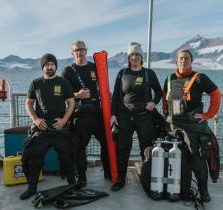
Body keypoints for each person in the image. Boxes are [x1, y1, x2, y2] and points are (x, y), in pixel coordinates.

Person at [162, 49, 222, 202]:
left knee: (197, 160)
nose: (183, 61)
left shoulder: (200, 78)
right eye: (181, 58)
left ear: (191, 61)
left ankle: (203, 191)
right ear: (176, 61)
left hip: (193, 127)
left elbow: (216, 94)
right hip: (174, 126)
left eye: (187, 58)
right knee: (178, 159)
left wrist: (208, 115)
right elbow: (164, 98)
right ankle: (183, 189)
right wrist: (166, 114)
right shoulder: (169, 78)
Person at [20, 53, 76, 200]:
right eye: (47, 65)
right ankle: (31, 188)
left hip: (59, 127)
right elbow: (28, 103)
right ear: (43, 67)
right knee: (33, 158)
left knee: (67, 157)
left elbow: (71, 103)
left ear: (55, 66)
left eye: (52, 64)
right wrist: (36, 119)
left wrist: (64, 121)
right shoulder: (35, 83)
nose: (50, 67)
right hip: (42, 127)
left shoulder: (63, 82)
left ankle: (72, 186)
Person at [110, 42, 163, 191]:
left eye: (137, 55)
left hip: (144, 116)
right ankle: (121, 179)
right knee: (123, 147)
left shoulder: (148, 73)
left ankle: (148, 178)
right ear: (128, 57)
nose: (134, 57)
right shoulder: (122, 73)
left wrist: (153, 102)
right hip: (124, 116)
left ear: (141, 57)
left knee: (146, 147)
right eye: (132, 55)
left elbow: (159, 92)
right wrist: (113, 115)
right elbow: (115, 97)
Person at [61, 41, 110, 187]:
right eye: (76, 50)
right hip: (80, 114)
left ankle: (108, 172)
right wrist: (77, 95)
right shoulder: (67, 71)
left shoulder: (94, 67)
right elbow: (63, 95)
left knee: (106, 143)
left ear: (86, 51)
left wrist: (107, 94)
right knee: (80, 147)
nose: (79, 52)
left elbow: (101, 86)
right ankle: (82, 177)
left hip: (97, 111)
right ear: (72, 53)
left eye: (81, 49)